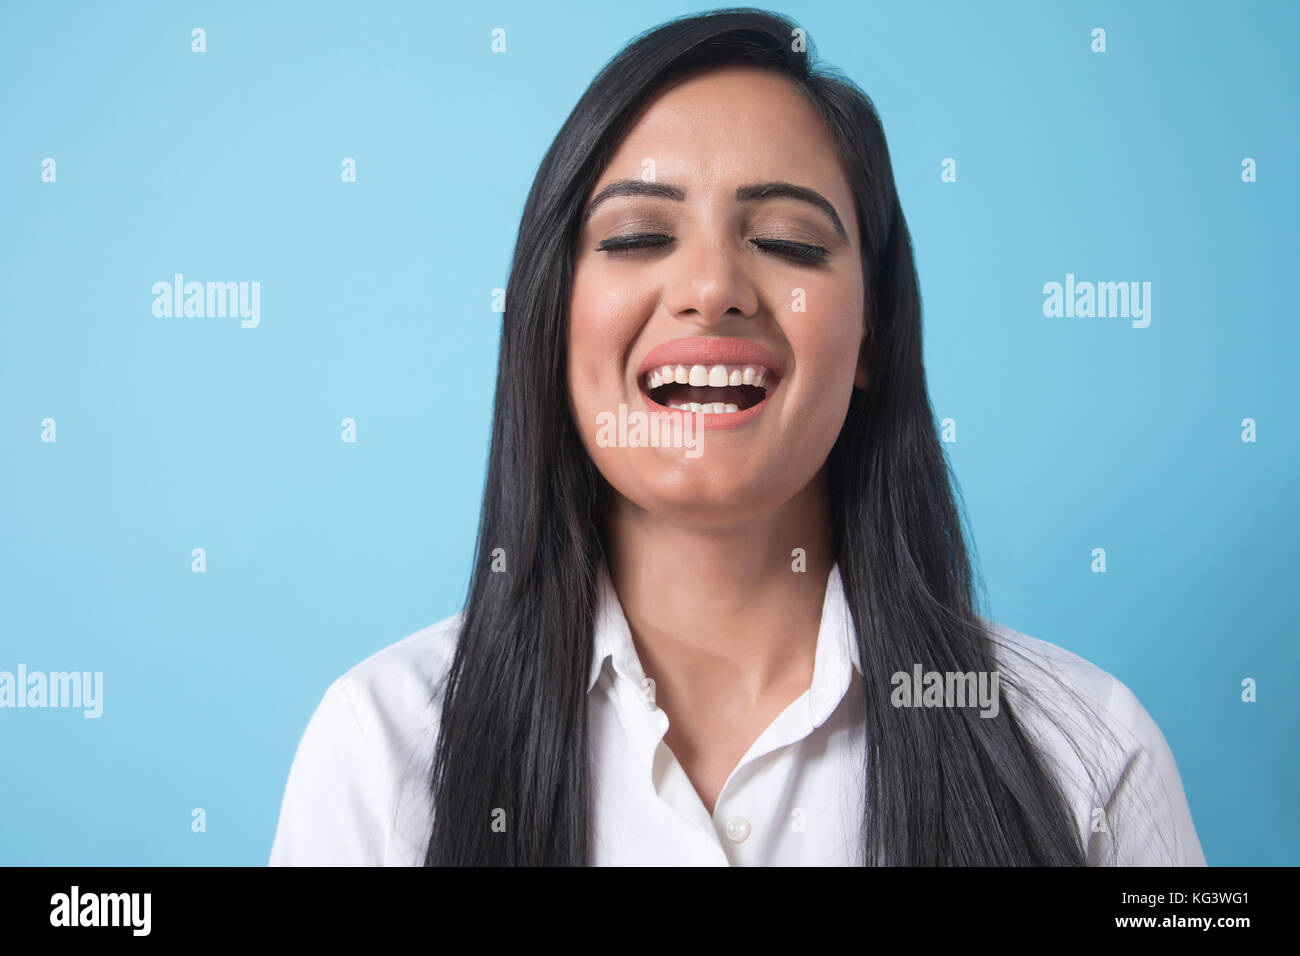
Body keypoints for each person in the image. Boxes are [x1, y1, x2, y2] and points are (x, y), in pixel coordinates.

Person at [269, 8, 1205, 866]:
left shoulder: (1091, 752)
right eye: (637, 236)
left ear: (872, 332)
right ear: (553, 319)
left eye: (792, 244)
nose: (711, 287)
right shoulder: (380, 746)